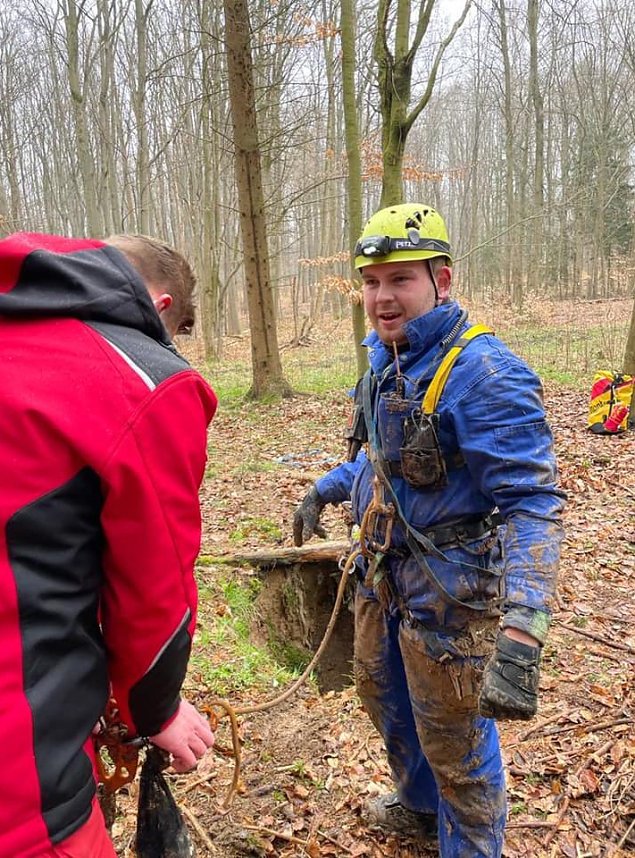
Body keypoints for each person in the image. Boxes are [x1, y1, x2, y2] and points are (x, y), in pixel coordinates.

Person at [293, 204, 566, 857]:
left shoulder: (485, 373)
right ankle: (418, 807)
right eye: (370, 281)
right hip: (380, 575)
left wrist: (524, 631)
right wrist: (327, 487)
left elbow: (533, 503)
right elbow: (383, 459)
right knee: (380, 695)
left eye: (400, 280)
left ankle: (469, 845)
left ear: (440, 280)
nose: (381, 297)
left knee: (458, 747)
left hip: (453, 598)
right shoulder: (388, 358)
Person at [0, 232, 217, 857]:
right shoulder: (143, 380)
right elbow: (156, 584)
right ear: (163, 305)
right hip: (17, 781)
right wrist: (156, 707)